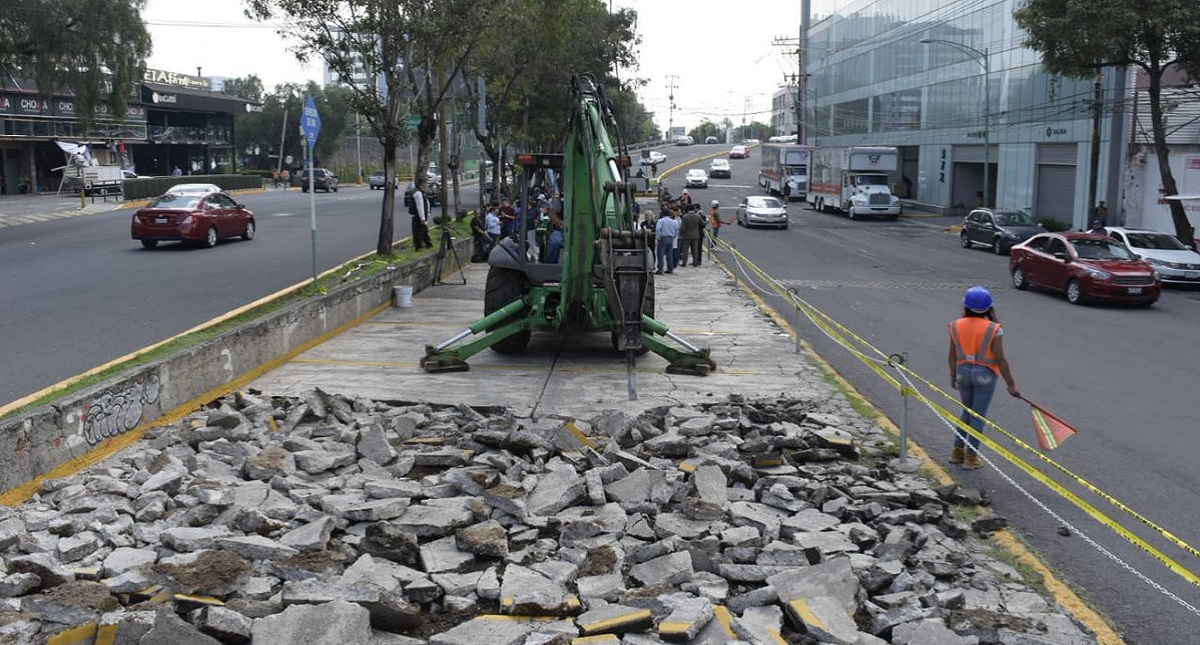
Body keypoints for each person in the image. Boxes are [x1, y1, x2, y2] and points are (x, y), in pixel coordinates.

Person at [948, 287, 1020, 470]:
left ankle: (957, 452)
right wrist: (1011, 385)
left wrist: (953, 375)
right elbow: (1000, 359)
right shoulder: (994, 329)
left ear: (966, 306)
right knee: (978, 416)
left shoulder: (955, 325)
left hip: (963, 372)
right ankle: (971, 457)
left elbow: (952, 354)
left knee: (966, 412)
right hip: (985, 375)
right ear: (989, 308)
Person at [410, 178, 434, 250]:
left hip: (421, 216)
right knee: (419, 232)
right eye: (426, 183)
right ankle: (420, 246)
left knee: (423, 231)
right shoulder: (418, 193)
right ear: (422, 183)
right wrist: (422, 218)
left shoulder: (421, 192)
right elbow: (420, 206)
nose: (427, 184)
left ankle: (427, 244)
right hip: (419, 217)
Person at [654, 207, 679, 274]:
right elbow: (677, 230)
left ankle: (660, 269)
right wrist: (673, 236)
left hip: (663, 238)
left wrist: (658, 237)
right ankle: (670, 269)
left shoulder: (661, 221)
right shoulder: (674, 221)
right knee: (669, 254)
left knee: (660, 254)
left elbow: (658, 229)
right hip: (671, 238)